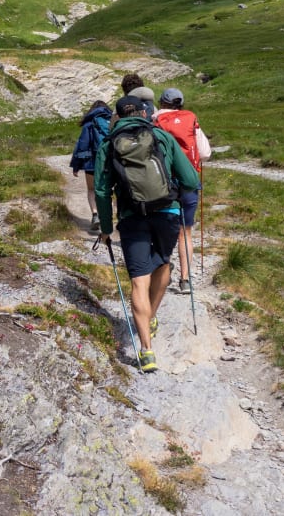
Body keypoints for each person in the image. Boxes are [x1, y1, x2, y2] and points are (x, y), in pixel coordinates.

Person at [94, 95, 200, 372]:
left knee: (139, 281)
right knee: (163, 263)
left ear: (116, 117)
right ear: (144, 112)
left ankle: (146, 351)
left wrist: (106, 228)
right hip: (167, 213)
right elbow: (190, 180)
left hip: (132, 217)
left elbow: (102, 190)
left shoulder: (109, 144)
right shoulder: (161, 137)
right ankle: (151, 317)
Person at [154, 88, 211, 294]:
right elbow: (205, 153)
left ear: (162, 102)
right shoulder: (190, 119)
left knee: (165, 228)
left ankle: (164, 272)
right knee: (185, 231)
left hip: (165, 183)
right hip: (189, 181)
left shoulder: (156, 120)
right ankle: (185, 280)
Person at [69, 100, 112, 231]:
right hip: (109, 161)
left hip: (92, 162)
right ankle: (107, 217)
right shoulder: (113, 121)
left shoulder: (89, 123)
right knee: (107, 191)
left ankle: (95, 215)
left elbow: (82, 145)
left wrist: (76, 165)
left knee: (92, 190)